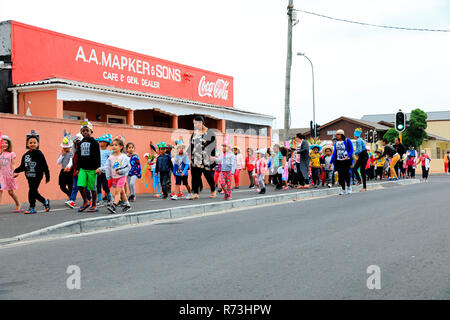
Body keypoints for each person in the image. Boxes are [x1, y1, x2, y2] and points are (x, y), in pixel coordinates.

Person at [14, 134, 50, 214]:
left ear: (37, 144)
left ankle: (32, 207)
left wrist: (47, 176)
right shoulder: (26, 155)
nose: (32, 144)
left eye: (34, 142)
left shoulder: (39, 153)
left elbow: (45, 165)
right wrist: (15, 171)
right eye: (30, 143)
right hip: (29, 176)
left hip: (37, 175)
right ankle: (45, 201)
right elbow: (23, 166)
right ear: (27, 144)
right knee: (34, 192)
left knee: (31, 191)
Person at [189, 115, 217, 199]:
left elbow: (214, 143)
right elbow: (192, 143)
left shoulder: (209, 132)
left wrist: (212, 155)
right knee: (195, 175)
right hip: (196, 157)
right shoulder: (195, 132)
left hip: (206, 157)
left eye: (196, 123)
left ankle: (213, 190)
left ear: (201, 123)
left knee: (208, 174)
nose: (195, 125)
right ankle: (195, 193)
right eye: (194, 124)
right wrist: (191, 154)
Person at [75, 120, 101, 213]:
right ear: (81, 132)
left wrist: (98, 167)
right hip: (83, 168)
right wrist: (78, 168)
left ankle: (93, 204)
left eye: (87, 130)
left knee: (92, 188)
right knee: (80, 185)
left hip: (92, 169)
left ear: (91, 132)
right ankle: (85, 201)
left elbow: (98, 156)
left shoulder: (94, 142)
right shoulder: (80, 143)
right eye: (83, 131)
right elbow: (79, 157)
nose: (85, 132)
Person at [105, 138, 131, 213]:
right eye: (112, 145)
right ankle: (127, 205)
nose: (113, 146)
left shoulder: (124, 157)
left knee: (117, 192)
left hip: (122, 177)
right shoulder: (111, 157)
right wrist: (101, 170)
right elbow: (107, 167)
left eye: (116, 145)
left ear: (121, 147)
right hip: (114, 177)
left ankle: (114, 206)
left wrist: (121, 171)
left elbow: (128, 167)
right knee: (122, 192)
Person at [0, 135, 21, 212]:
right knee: (0, 190)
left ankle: (18, 204)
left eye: (6, 143)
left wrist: (15, 171)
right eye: (3, 143)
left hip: (9, 175)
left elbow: (13, 164)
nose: (5, 144)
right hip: (1, 175)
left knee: (11, 192)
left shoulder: (11, 154)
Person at [330, 129, 354, 195]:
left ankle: (349, 187)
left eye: (338, 134)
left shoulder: (347, 140)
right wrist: (331, 162)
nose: (337, 136)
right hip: (338, 161)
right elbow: (334, 152)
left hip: (346, 160)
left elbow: (352, 149)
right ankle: (343, 189)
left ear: (341, 135)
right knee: (340, 176)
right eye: (336, 135)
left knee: (346, 174)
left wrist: (347, 156)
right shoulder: (336, 143)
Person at [96, 134, 113, 207]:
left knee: (105, 186)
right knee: (98, 186)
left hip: (104, 171)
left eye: (101, 142)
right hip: (97, 171)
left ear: (106, 143)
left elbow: (111, 162)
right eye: (99, 142)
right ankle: (100, 200)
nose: (99, 143)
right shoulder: (97, 151)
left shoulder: (108, 152)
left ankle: (110, 198)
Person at [57, 134, 74, 201]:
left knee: (70, 186)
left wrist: (68, 167)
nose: (64, 148)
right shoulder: (62, 153)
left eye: (66, 147)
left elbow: (71, 162)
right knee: (62, 186)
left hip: (69, 171)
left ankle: (71, 199)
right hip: (63, 170)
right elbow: (58, 162)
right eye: (64, 147)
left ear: (70, 147)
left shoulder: (71, 154)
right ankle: (69, 194)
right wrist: (62, 155)